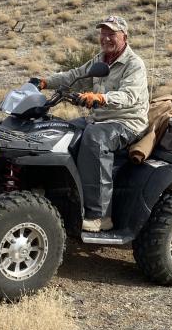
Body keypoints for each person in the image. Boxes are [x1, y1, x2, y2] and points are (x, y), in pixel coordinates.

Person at [30, 16, 149, 232]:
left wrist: (101, 98)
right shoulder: (101, 60)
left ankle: (100, 215)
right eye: (103, 33)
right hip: (98, 119)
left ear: (124, 37)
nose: (105, 38)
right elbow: (75, 75)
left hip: (127, 122)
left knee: (95, 139)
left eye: (111, 34)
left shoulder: (134, 64)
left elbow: (130, 95)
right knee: (60, 131)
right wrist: (45, 82)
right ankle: (60, 197)